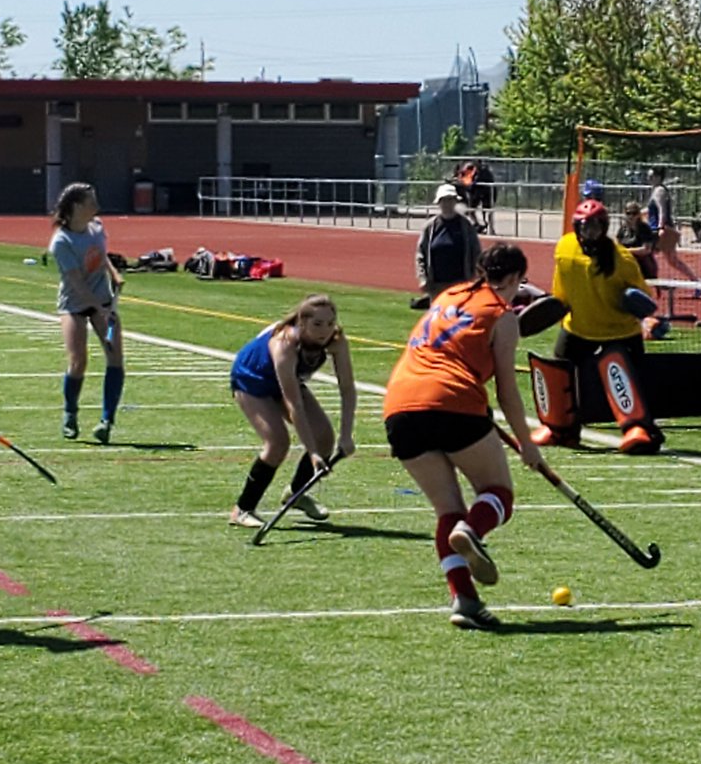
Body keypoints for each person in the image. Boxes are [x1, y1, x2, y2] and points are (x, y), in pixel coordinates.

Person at [383, 243, 543, 630]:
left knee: (447, 510)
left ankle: (464, 600)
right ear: (517, 279)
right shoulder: (503, 315)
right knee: (498, 492)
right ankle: (471, 531)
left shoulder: (448, 294)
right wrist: (527, 444)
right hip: (452, 401)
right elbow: (507, 388)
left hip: (399, 406)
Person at [532, 199, 662, 454]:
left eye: (594, 226)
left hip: (619, 331)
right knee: (558, 371)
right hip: (578, 327)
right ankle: (561, 428)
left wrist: (642, 312)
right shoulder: (564, 248)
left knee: (627, 379)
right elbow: (561, 289)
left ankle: (639, 428)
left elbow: (643, 298)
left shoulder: (621, 258)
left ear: (604, 228)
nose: (589, 231)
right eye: (584, 226)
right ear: (576, 227)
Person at [229, 294, 357, 529]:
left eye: (330, 323)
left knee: (324, 437)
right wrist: (312, 453)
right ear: (302, 321)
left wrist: (346, 435)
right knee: (277, 442)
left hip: (285, 382)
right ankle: (242, 509)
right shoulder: (285, 343)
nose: (325, 331)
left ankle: (296, 494)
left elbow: (347, 389)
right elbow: (293, 403)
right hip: (252, 380)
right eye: (317, 324)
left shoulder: (337, 341)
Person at [49, 183, 125, 444]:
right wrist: (100, 309)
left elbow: (102, 256)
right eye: (91, 201)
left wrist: (114, 274)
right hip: (75, 306)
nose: (96, 206)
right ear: (76, 207)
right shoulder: (62, 241)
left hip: (104, 303)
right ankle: (70, 412)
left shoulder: (97, 228)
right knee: (78, 360)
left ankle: (107, 421)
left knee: (115, 354)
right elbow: (77, 283)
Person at [412, 183, 481, 310]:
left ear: (455, 201)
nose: (447, 204)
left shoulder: (466, 226)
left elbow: (476, 252)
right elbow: (420, 255)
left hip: (461, 284)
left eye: (450, 200)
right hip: (436, 285)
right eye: (444, 200)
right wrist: (422, 278)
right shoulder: (430, 227)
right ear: (439, 203)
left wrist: (474, 277)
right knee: (438, 321)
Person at [645, 167, 700, 285]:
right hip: (655, 228)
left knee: (652, 254)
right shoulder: (655, 190)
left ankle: (696, 282)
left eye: (651, 177)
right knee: (671, 260)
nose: (649, 179)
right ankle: (695, 281)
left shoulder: (659, 191)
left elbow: (662, 211)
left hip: (660, 229)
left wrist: (660, 228)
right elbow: (651, 209)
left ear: (658, 177)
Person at [616, 200, 656, 278]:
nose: (631, 216)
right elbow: (617, 246)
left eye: (634, 213)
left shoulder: (645, 228)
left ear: (638, 214)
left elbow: (646, 249)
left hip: (642, 266)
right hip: (625, 263)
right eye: (628, 213)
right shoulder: (623, 229)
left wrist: (627, 251)